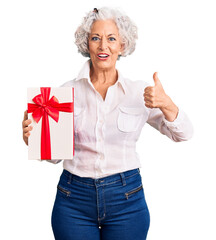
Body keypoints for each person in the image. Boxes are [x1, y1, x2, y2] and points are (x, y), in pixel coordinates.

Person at [22, 7, 193, 240]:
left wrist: (166, 104)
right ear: (86, 44)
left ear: (122, 45)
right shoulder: (64, 92)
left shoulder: (139, 92)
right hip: (73, 199)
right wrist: (34, 139)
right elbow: (53, 156)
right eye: (95, 38)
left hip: (127, 200)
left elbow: (184, 134)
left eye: (111, 39)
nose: (103, 46)